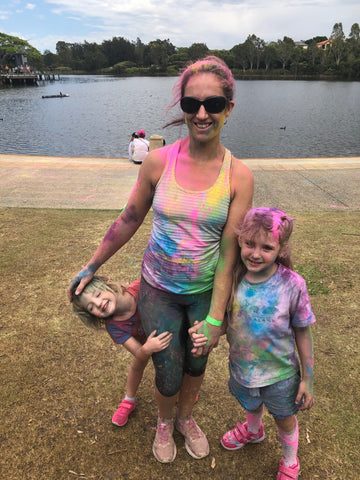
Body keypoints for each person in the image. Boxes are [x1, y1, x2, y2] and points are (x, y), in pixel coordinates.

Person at [68, 55, 254, 463]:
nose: (202, 114)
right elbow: (130, 218)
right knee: (167, 371)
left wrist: (217, 318)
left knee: (196, 364)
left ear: (229, 108)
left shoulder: (239, 176)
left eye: (214, 104)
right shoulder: (158, 161)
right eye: (191, 105)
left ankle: (186, 419)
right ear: (183, 109)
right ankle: (165, 422)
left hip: (205, 291)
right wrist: (92, 265)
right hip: (158, 290)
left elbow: (228, 254)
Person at [190, 207, 315, 479]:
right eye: (249, 244)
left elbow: (303, 332)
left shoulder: (293, 285)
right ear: (239, 241)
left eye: (266, 247)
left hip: (280, 374)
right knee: (250, 404)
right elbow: (225, 321)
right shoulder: (232, 279)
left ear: (281, 249)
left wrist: (308, 379)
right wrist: (208, 330)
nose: (256, 253)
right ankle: (254, 430)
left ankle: (290, 460)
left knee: (284, 417)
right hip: (242, 369)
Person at [71, 275, 173, 427]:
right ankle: (128, 400)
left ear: (109, 286)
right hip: (144, 345)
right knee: (137, 365)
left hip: (166, 334)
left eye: (98, 295)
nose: (98, 304)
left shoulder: (140, 287)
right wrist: (148, 348)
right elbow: (139, 353)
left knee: (175, 361)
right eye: (91, 308)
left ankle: (180, 389)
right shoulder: (114, 326)